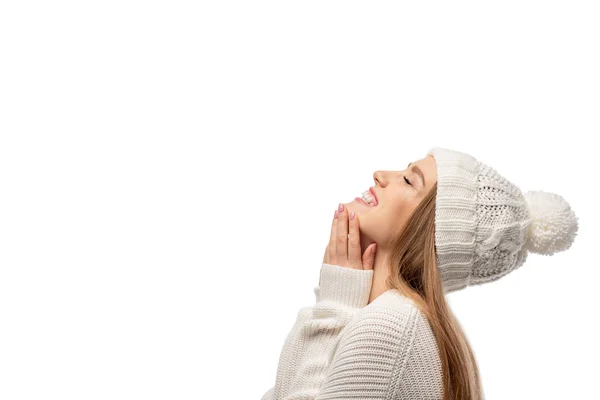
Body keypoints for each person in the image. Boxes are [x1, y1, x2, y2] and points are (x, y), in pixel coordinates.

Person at [261, 147, 579, 400]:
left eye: (410, 181)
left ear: (433, 230)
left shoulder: (389, 325)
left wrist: (333, 305)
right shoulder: (390, 319)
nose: (381, 175)